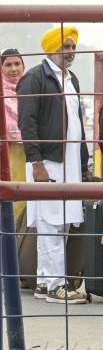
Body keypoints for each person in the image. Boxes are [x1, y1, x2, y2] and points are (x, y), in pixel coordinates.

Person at [17, 26, 89, 303]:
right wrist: (36, 163)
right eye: (65, 47)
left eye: (73, 47)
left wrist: (82, 164)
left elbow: (77, 126)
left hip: (69, 164)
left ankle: (45, 282)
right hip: (47, 163)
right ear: (51, 48)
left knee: (64, 223)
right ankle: (56, 286)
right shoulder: (34, 78)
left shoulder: (72, 79)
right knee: (51, 224)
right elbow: (27, 123)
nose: (70, 52)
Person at [1, 48, 27, 226]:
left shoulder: (31, 88)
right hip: (4, 154)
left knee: (25, 198)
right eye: (8, 64)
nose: (13, 68)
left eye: (17, 63)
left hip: (27, 153)